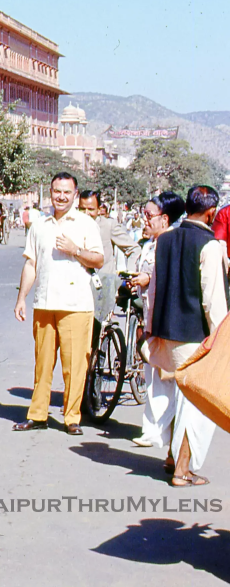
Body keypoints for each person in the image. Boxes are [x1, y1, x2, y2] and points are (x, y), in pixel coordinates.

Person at [147, 185, 228, 487]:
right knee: (198, 405)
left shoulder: (164, 240)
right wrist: (220, 340)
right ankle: (182, 469)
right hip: (195, 335)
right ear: (211, 212)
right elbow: (213, 300)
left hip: (167, 332)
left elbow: (154, 289)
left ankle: (171, 458)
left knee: (181, 399)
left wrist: (150, 328)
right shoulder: (210, 246)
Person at [13, 172, 104, 435]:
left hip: (76, 305)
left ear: (75, 194)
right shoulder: (40, 225)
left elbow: (98, 260)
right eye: (56, 191)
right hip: (44, 303)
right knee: (42, 363)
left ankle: (71, 417)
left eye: (67, 192)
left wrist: (75, 250)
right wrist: (21, 298)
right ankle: (37, 414)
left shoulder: (86, 224)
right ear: (49, 193)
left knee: (74, 365)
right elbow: (31, 263)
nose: (61, 197)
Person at [129, 192, 185, 454]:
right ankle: (152, 430)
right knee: (151, 374)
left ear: (165, 219)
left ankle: (161, 432)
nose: (145, 219)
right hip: (149, 316)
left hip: (165, 321)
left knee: (164, 377)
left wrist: (147, 280)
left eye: (150, 215)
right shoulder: (150, 244)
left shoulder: (173, 243)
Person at [78, 190, 140, 275]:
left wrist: (130, 274)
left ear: (99, 209)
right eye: (82, 209)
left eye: (90, 209)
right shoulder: (73, 225)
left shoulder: (109, 225)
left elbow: (134, 249)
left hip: (104, 283)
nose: (86, 213)